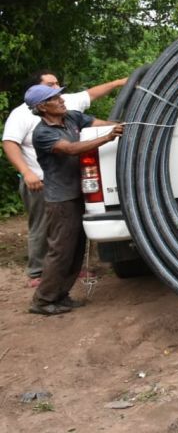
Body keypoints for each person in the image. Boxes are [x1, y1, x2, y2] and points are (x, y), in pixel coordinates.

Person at [2, 70, 126, 287]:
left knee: (72, 234)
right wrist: (27, 172)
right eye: (51, 86)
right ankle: (39, 276)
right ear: (40, 101)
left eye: (58, 86)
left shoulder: (66, 112)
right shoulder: (34, 125)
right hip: (45, 184)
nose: (59, 93)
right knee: (49, 233)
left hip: (71, 184)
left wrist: (122, 120)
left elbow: (93, 108)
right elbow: (68, 148)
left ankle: (69, 275)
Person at [25, 84, 123, 315]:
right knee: (61, 251)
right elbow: (71, 149)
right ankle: (42, 301)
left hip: (79, 193)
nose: (61, 99)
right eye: (54, 98)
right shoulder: (43, 133)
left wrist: (120, 126)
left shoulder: (71, 117)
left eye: (59, 95)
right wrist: (109, 137)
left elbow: (99, 123)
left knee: (77, 249)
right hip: (61, 199)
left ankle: (61, 295)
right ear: (42, 107)